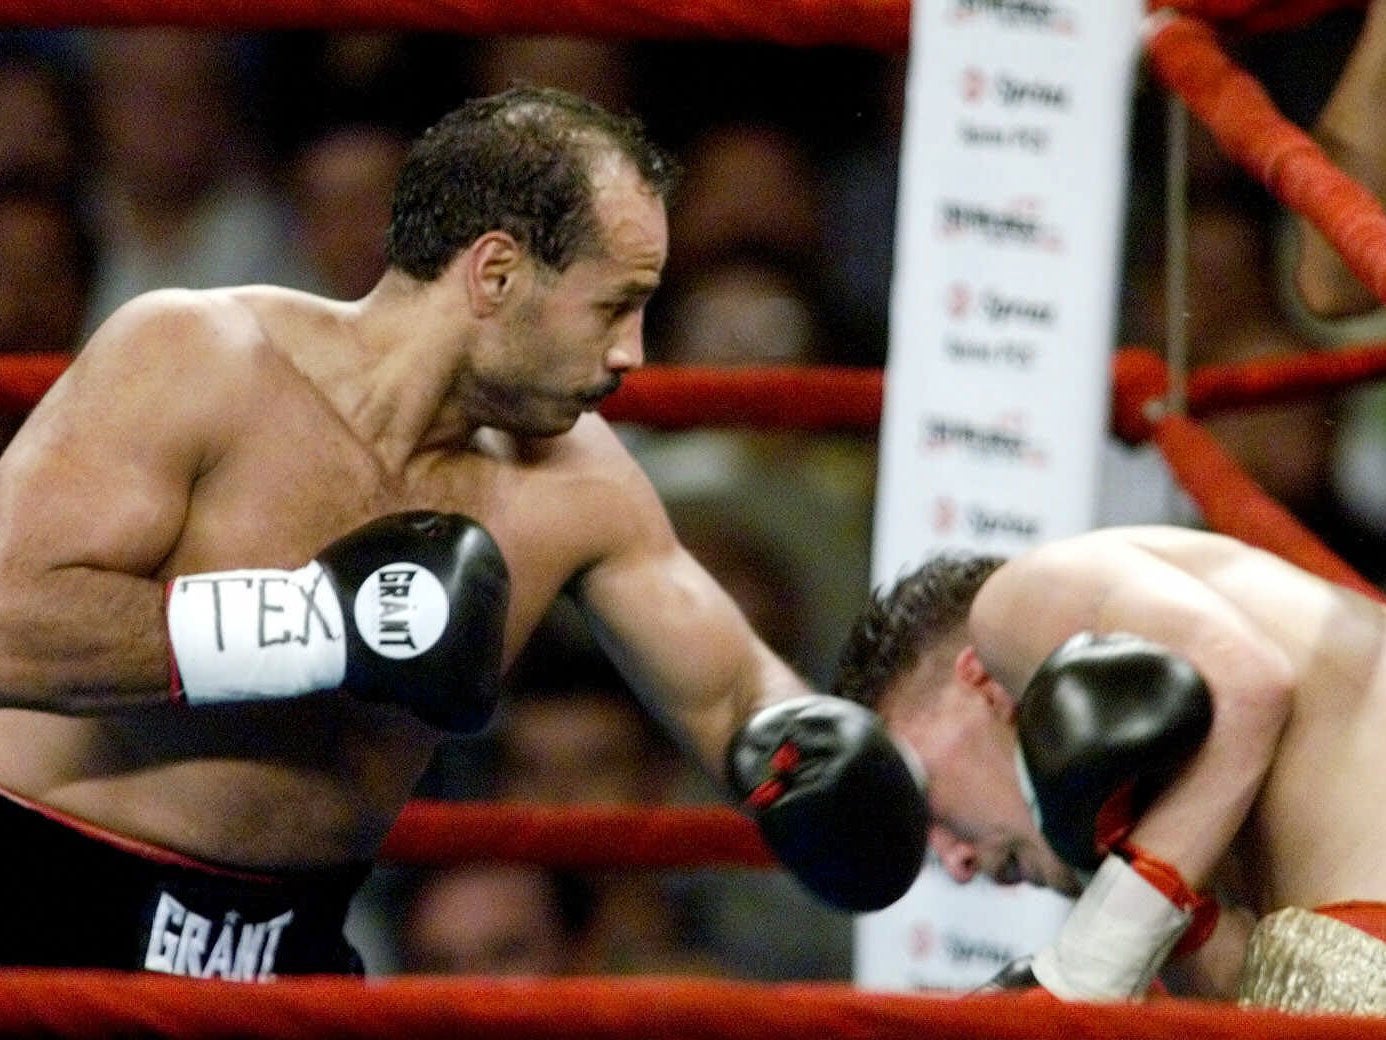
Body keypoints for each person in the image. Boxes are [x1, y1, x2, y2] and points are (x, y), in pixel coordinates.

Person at [0, 86, 926, 979]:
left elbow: (730, 693)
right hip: (41, 901)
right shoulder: (200, 355)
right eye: (614, 305)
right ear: (495, 272)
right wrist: (310, 625)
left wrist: (802, 746)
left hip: (293, 948)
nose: (632, 355)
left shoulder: (574, 481)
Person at [834, 524, 1386, 1012]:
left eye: (919, 793)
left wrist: (1089, 966)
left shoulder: (1012, 603)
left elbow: (1248, 683)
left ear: (980, 680)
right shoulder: (1197, 801)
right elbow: (1257, 981)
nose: (952, 861)